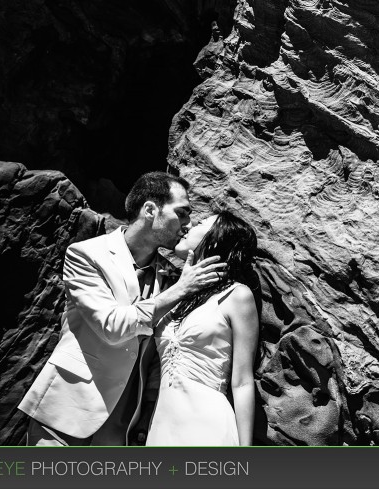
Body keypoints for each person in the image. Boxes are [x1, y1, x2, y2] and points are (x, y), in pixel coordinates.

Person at [18, 172, 227, 445]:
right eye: (182, 213)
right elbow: (111, 327)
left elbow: (157, 353)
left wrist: (148, 414)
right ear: (150, 209)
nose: (187, 224)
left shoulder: (172, 276)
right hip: (68, 409)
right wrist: (180, 290)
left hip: (124, 424)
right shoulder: (86, 255)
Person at [145, 209, 259, 446]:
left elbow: (242, 382)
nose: (187, 227)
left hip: (208, 425)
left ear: (216, 238)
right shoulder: (175, 295)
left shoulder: (237, 296)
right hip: (162, 426)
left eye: (200, 223)